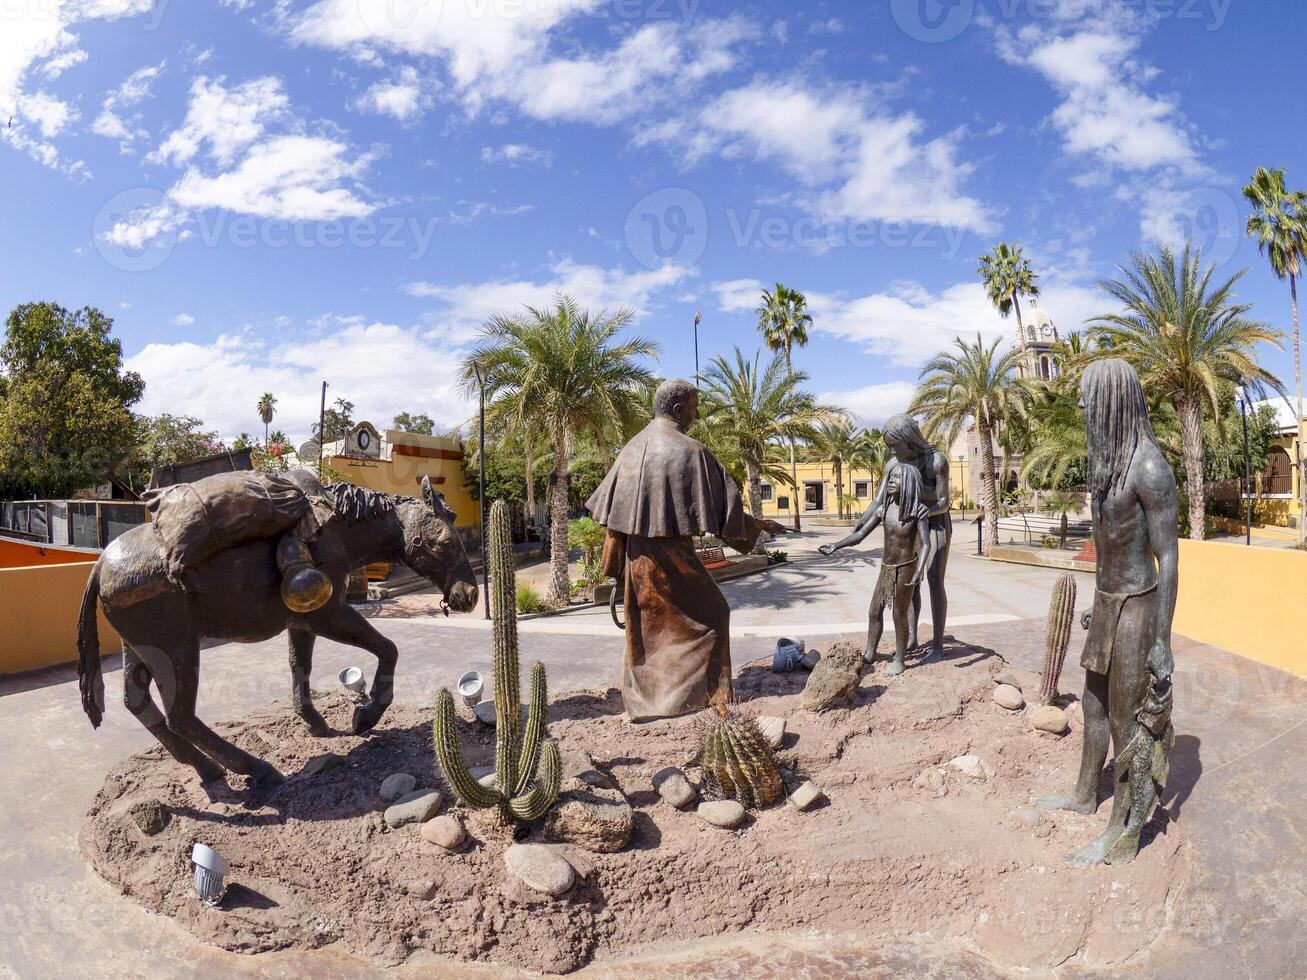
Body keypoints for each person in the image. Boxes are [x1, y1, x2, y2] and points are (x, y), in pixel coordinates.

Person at [1036, 359, 1178, 867]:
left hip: (1138, 608)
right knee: (1093, 708)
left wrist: (1161, 640)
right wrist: (1097, 608)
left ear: (1114, 398)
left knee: (1124, 719)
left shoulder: (1149, 467)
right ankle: (1082, 794)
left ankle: (1122, 830)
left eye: (1088, 397)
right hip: (1106, 603)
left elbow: (1170, 558)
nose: (1081, 406)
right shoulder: (1108, 464)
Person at [586, 379, 787, 721]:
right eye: (694, 408)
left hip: (637, 560)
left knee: (648, 631)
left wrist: (617, 568)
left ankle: (648, 701)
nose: (696, 414)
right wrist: (760, 526)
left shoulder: (631, 448)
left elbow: (615, 519)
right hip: (672, 558)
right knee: (713, 614)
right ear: (679, 410)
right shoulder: (691, 451)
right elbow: (726, 512)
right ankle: (711, 693)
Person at [821, 412, 951, 660]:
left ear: (910, 442)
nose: (891, 452)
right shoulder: (893, 464)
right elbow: (878, 501)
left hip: (934, 521)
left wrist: (925, 508)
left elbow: (945, 501)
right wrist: (859, 526)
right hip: (905, 521)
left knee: (934, 579)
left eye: (894, 446)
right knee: (911, 584)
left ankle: (937, 646)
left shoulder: (936, 462)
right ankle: (911, 637)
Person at [820, 462, 934, 675]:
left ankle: (899, 659)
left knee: (899, 613)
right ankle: (870, 652)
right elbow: (860, 535)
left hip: (906, 569)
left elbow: (926, 544)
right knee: (874, 611)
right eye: (890, 477)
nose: (891, 481)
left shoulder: (918, 511)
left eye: (896, 478)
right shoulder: (884, 510)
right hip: (887, 569)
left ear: (908, 483)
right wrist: (836, 545)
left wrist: (919, 571)